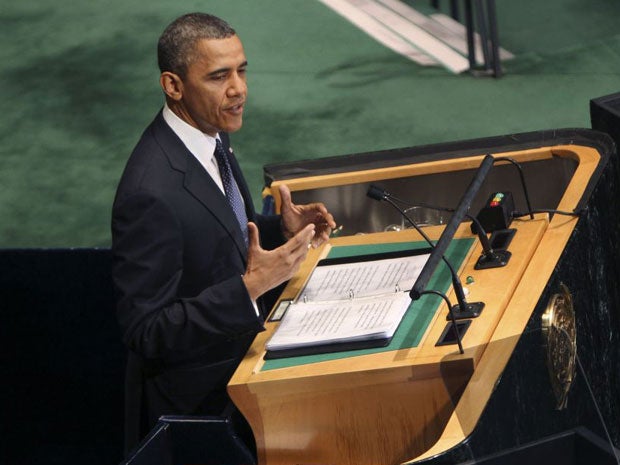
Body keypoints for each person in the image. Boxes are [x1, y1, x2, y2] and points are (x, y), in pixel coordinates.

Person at [111, 12, 336, 453]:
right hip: (206, 412)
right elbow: (146, 330)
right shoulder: (148, 192)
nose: (239, 89)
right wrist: (250, 287)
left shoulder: (210, 136)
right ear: (173, 86)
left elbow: (219, 234)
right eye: (219, 76)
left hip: (246, 376)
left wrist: (279, 228)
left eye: (241, 70)